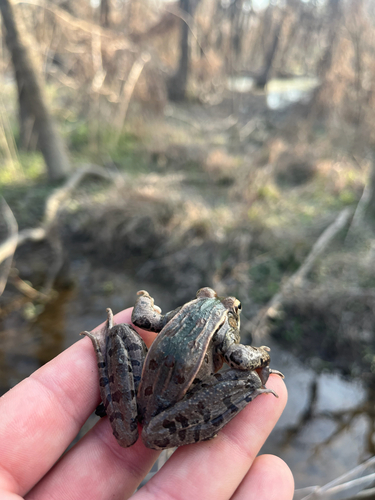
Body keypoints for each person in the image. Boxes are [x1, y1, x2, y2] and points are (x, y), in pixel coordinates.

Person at [0, 307, 294, 500]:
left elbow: (142, 317)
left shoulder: (179, 315)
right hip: (174, 407)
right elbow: (243, 359)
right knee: (249, 380)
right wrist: (262, 356)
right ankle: (225, 412)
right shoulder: (224, 330)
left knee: (119, 332)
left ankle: (123, 396)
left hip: (143, 395)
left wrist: (144, 299)